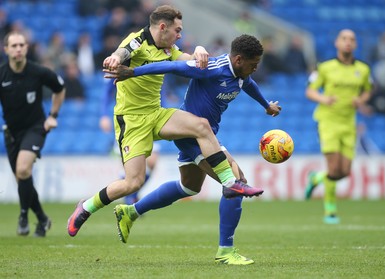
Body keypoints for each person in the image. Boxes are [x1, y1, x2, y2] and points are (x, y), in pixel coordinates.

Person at [67, 5, 263, 239]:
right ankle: (86, 207)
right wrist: (114, 58)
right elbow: (122, 53)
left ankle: (231, 183)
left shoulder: (168, 47)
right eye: (177, 30)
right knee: (133, 182)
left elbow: (189, 62)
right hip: (132, 121)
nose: (180, 35)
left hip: (157, 113)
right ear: (163, 27)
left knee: (201, 126)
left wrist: (200, 49)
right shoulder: (137, 40)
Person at [103, 34, 281, 265]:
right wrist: (132, 72)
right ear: (238, 59)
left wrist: (266, 105)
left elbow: (248, 85)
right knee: (236, 182)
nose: (256, 69)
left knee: (189, 186)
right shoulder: (211, 69)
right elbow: (172, 65)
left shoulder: (241, 75)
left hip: (204, 136)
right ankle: (226, 251)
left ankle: (130, 212)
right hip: (191, 133)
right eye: (253, 64)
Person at [0, 31, 66, 237]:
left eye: (22, 45)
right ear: (6, 49)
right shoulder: (1, 74)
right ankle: (43, 219)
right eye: (14, 45)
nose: (18, 49)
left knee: (22, 169)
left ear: (27, 48)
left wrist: (53, 115)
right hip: (11, 132)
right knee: (23, 177)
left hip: (36, 128)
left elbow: (60, 88)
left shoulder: (38, 72)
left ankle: (22, 217)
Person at [304, 29, 373, 224]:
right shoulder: (325, 67)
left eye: (352, 39)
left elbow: (368, 90)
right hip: (328, 122)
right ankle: (330, 209)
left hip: (349, 124)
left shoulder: (363, 69)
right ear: (337, 43)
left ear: (356, 44)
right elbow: (310, 91)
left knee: (345, 172)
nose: (348, 42)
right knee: (333, 169)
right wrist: (324, 98)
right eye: (344, 39)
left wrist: (361, 100)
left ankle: (316, 178)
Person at [99, 78, 160, 204]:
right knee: (131, 169)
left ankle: (132, 196)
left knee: (152, 162)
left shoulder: (154, 61)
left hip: (151, 116)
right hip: (129, 120)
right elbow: (107, 92)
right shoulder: (120, 62)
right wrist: (104, 115)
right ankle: (129, 199)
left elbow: (161, 90)